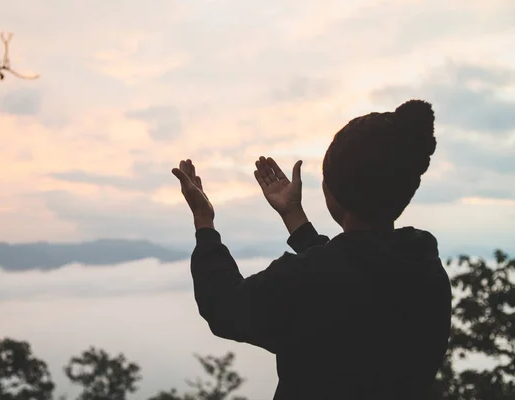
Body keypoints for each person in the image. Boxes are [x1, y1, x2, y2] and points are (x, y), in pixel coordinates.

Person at [171, 99, 452, 400]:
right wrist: (294, 217)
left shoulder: (305, 281)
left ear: (336, 192)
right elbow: (354, 269)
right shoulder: (426, 271)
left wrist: (204, 221)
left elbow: (223, 307)